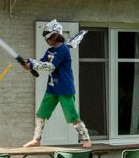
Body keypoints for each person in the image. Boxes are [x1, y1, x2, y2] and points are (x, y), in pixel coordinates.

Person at [23, 20, 91, 148]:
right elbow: (41, 64)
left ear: (55, 36)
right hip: (52, 88)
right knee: (41, 114)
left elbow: (51, 66)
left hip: (64, 88)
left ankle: (86, 139)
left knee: (72, 115)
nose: (46, 40)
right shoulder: (50, 51)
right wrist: (30, 65)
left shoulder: (64, 50)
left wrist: (33, 64)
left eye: (48, 37)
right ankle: (36, 139)